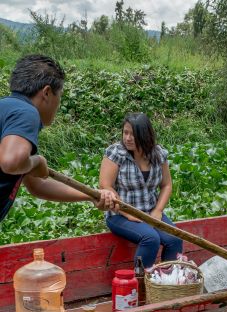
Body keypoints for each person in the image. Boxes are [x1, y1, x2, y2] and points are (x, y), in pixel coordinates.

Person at [0, 54, 117, 223]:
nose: (59, 103)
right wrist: (37, 161)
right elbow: (11, 162)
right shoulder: (25, 112)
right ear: (47, 92)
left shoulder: (7, 110)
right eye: (60, 95)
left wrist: (91, 195)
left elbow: (37, 185)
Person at [99, 112, 183, 267]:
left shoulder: (158, 154)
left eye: (133, 134)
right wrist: (127, 212)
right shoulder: (116, 153)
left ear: (144, 135)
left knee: (174, 239)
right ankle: (138, 285)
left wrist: (158, 210)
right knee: (150, 239)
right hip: (120, 215)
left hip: (150, 211)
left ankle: (168, 282)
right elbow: (106, 186)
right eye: (125, 132)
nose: (128, 138)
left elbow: (166, 185)